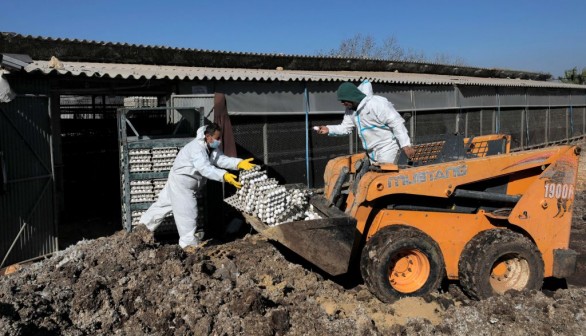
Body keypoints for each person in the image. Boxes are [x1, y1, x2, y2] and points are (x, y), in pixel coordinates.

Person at [139, 122, 255, 249]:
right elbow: (205, 168)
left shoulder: (210, 147)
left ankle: (140, 230)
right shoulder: (196, 149)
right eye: (217, 138)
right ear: (208, 136)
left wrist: (238, 164)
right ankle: (188, 247)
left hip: (177, 181)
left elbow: (220, 160)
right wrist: (224, 176)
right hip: (183, 185)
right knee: (188, 215)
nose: (219, 141)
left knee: (162, 206)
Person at [316, 81, 415, 163]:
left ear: (352, 97)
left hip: (387, 149)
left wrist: (405, 145)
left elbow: (396, 123)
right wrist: (329, 129)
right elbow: (345, 127)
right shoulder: (350, 111)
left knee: (386, 179)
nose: (342, 104)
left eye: (344, 100)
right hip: (371, 152)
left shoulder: (376, 104)